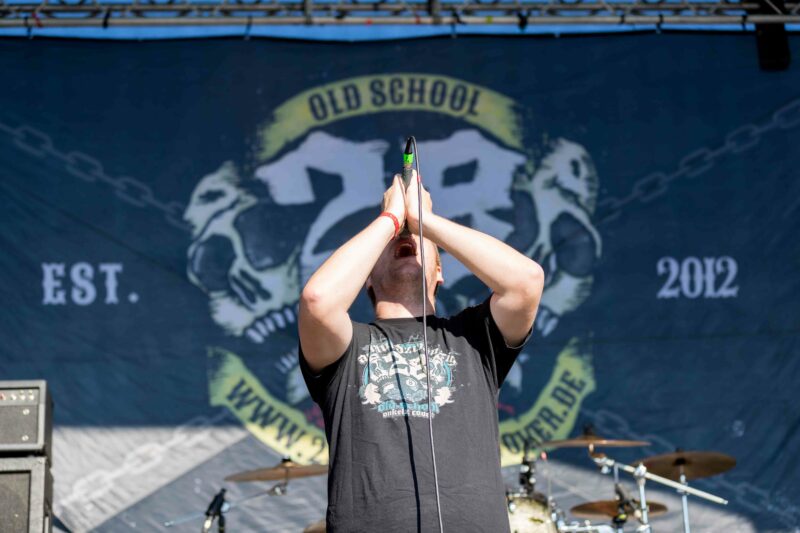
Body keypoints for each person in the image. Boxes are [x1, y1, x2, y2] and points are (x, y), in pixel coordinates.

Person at [298, 170, 544, 532]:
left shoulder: (473, 338)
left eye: (415, 236)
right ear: (365, 276)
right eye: (394, 238)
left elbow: (527, 281)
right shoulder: (346, 347)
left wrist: (424, 220)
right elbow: (318, 301)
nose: (404, 235)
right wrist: (390, 219)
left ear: (439, 270)